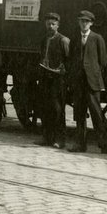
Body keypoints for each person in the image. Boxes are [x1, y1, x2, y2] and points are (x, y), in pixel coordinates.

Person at [69, 10, 107, 155]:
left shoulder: (97, 38)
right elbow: (71, 58)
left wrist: (95, 76)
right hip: (79, 81)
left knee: (97, 114)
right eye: (81, 21)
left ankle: (104, 145)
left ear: (91, 23)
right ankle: (80, 144)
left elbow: (103, 61)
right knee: (79, 113)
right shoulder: (74, 38)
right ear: (79, 22)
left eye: (86, 21)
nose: (83, 24)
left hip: (92, 83)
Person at [36, 12, 71, 147]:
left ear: (58, 25)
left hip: (58, 79)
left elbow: (69, 60)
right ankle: (46, 137)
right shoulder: (44, 39)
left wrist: (64, 72)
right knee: (45, 108)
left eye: (53, 24)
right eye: (48, 24)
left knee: (57, 109)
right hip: (45, 78)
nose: (50, 26)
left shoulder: (63, 40)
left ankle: (60, 140)